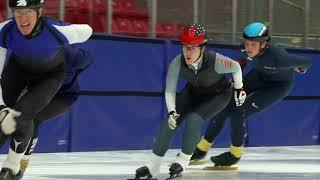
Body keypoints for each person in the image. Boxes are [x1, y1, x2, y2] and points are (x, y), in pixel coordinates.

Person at [190, 22, 313, 167]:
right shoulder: (244, 49)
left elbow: (307, 61)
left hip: (277, 87)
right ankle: (202, 148)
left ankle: (234, 154)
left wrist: (300, 68)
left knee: (239, 112)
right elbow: (242, 60)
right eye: (247, 43)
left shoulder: (278, 57)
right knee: (224, 104)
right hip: (259, 76)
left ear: (264, 44)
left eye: (253, 44)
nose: (249, 48)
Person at [134, 24, 246, 179]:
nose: (188, 52)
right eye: (185, 47)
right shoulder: (177, 62)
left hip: (218, 94)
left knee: (194, 119)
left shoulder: (215, 60)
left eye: (192, 48)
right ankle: (153, 166)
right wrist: (172, 112)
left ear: (202, 48)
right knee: (170, 122)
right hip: (193, 92)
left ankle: (183, 161)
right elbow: (170, 90)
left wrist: (239, 88)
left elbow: (236, 68)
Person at [0, 0, 92, 179]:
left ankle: (12, 166)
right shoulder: (6, 30)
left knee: (23, 116)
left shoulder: (60, 37)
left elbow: (87, 31)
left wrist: (75, 66)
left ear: (39, 12)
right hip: (19, 71)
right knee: (5, 118)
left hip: (52, 83)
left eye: (27, 12)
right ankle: (16, 163)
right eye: (18, 13)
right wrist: (2, 106)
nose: (22, 18)